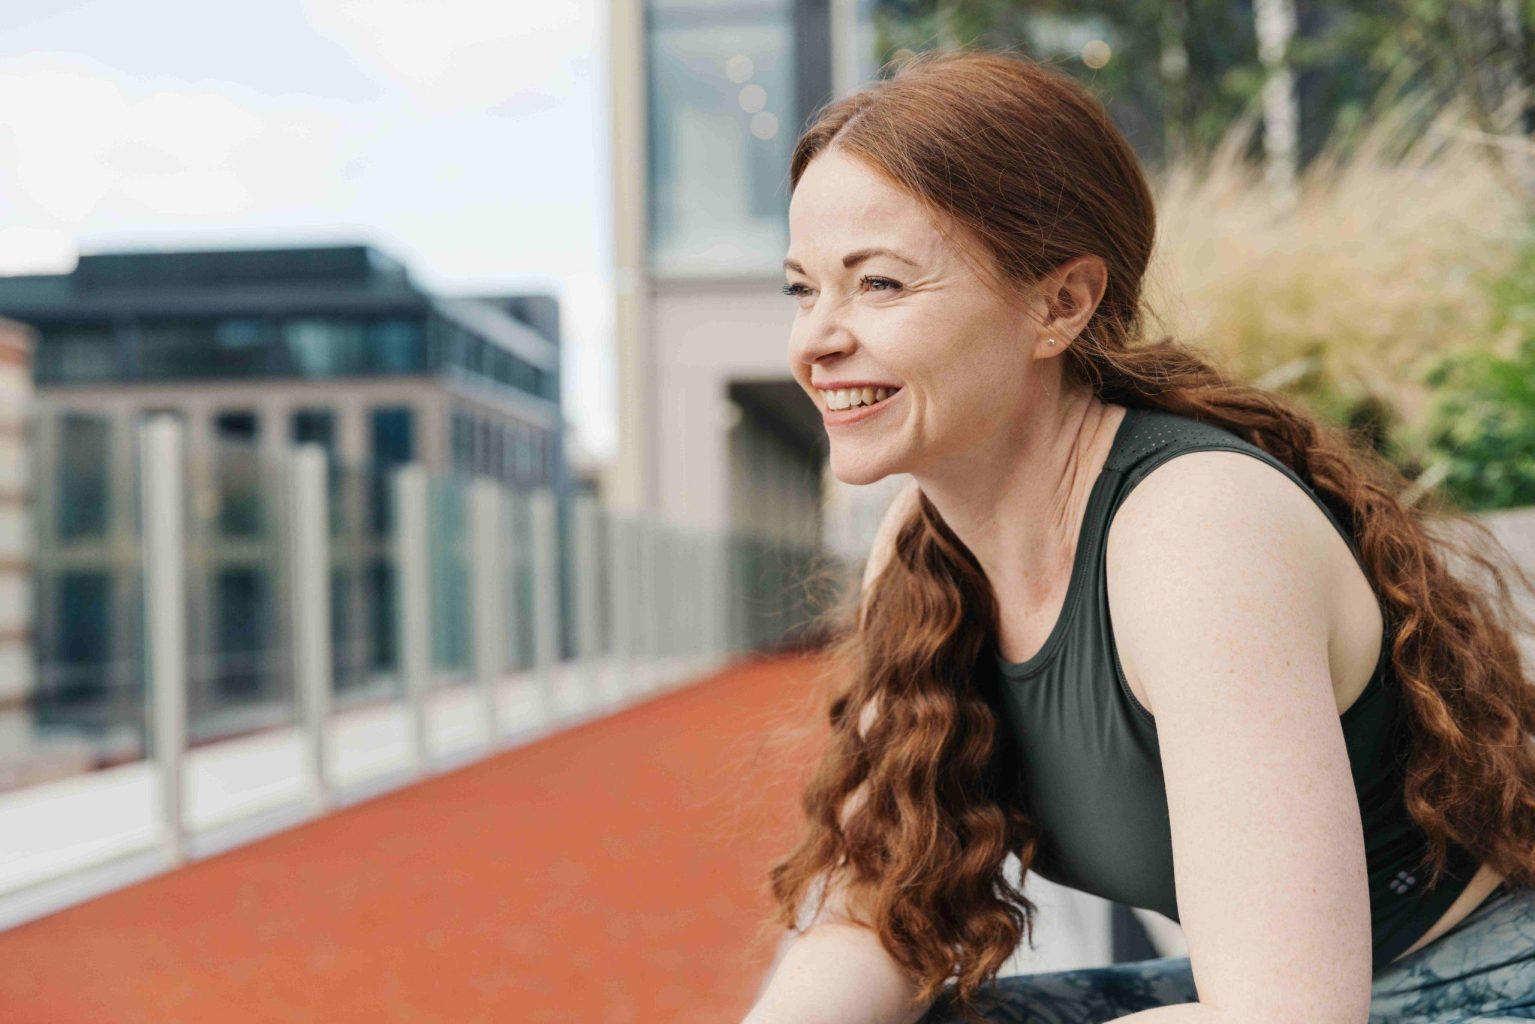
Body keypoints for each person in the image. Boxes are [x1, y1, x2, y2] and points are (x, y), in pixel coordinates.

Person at [742, 47, 1535, 1024]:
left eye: (878, 285)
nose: (815, 340)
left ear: (1059, 304)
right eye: (802, 289)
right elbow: (874, 911)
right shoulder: (920, 545)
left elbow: (1282, 1017)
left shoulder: (1195, 535)